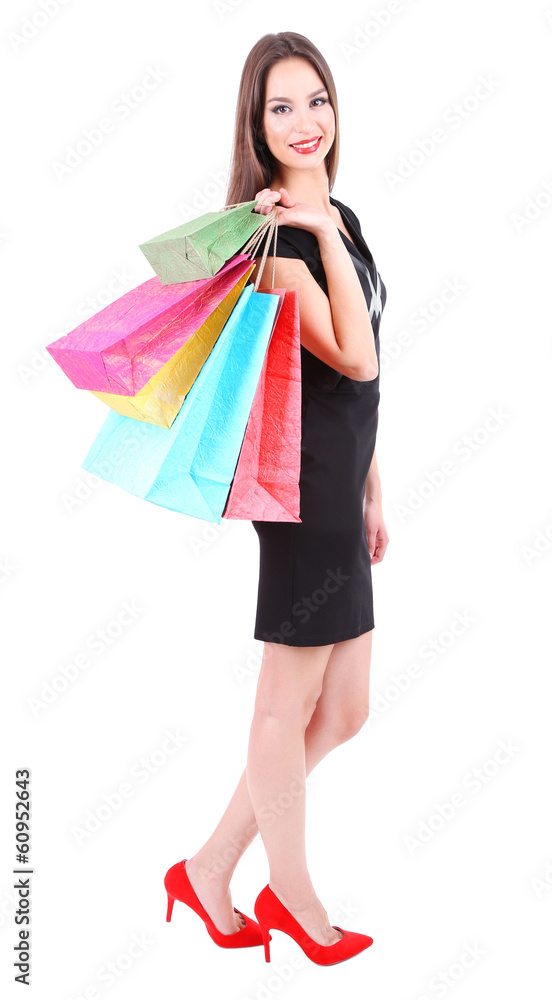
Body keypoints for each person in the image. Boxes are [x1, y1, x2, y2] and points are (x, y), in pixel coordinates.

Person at [164, 31, 389, 967]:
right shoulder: (280, 245)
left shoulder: (340, 218)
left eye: (317, 100)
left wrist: (378, 483)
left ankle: (209, 865)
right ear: (256, 129)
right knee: (282, 708)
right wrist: (318, 229)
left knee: (342, 712)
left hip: (345, 482)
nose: (306, 123)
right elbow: (354, 354)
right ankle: (290, 897)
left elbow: (369, 380)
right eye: (281, 108)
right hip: (300, 491)